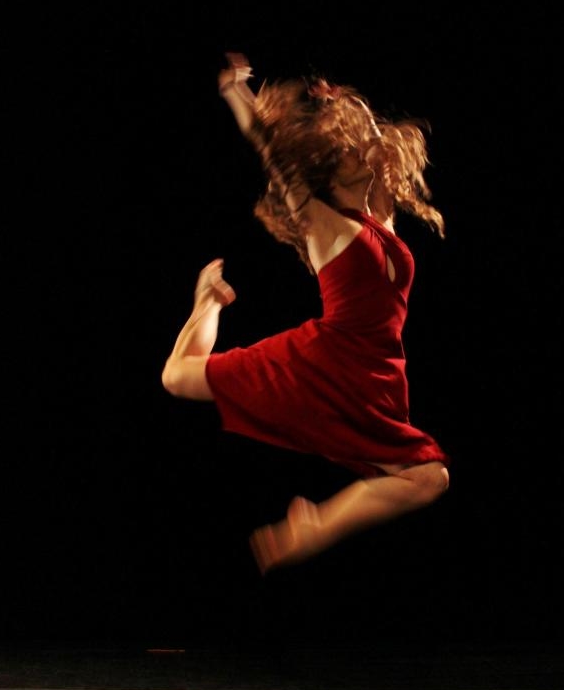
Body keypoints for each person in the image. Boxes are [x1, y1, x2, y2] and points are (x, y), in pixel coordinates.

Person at [161, 52, 450, 575]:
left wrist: (345, 106)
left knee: (429, 477)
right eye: (351, 149)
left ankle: (318, 526)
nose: (363, 149)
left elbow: (378, 143)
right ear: (329, 168)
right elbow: (272, 150)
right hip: (322, 361)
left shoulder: (379, 214)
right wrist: (235, 93)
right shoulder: (321, 221)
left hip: (374, 374)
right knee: (177, 377)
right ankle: (207, 302)